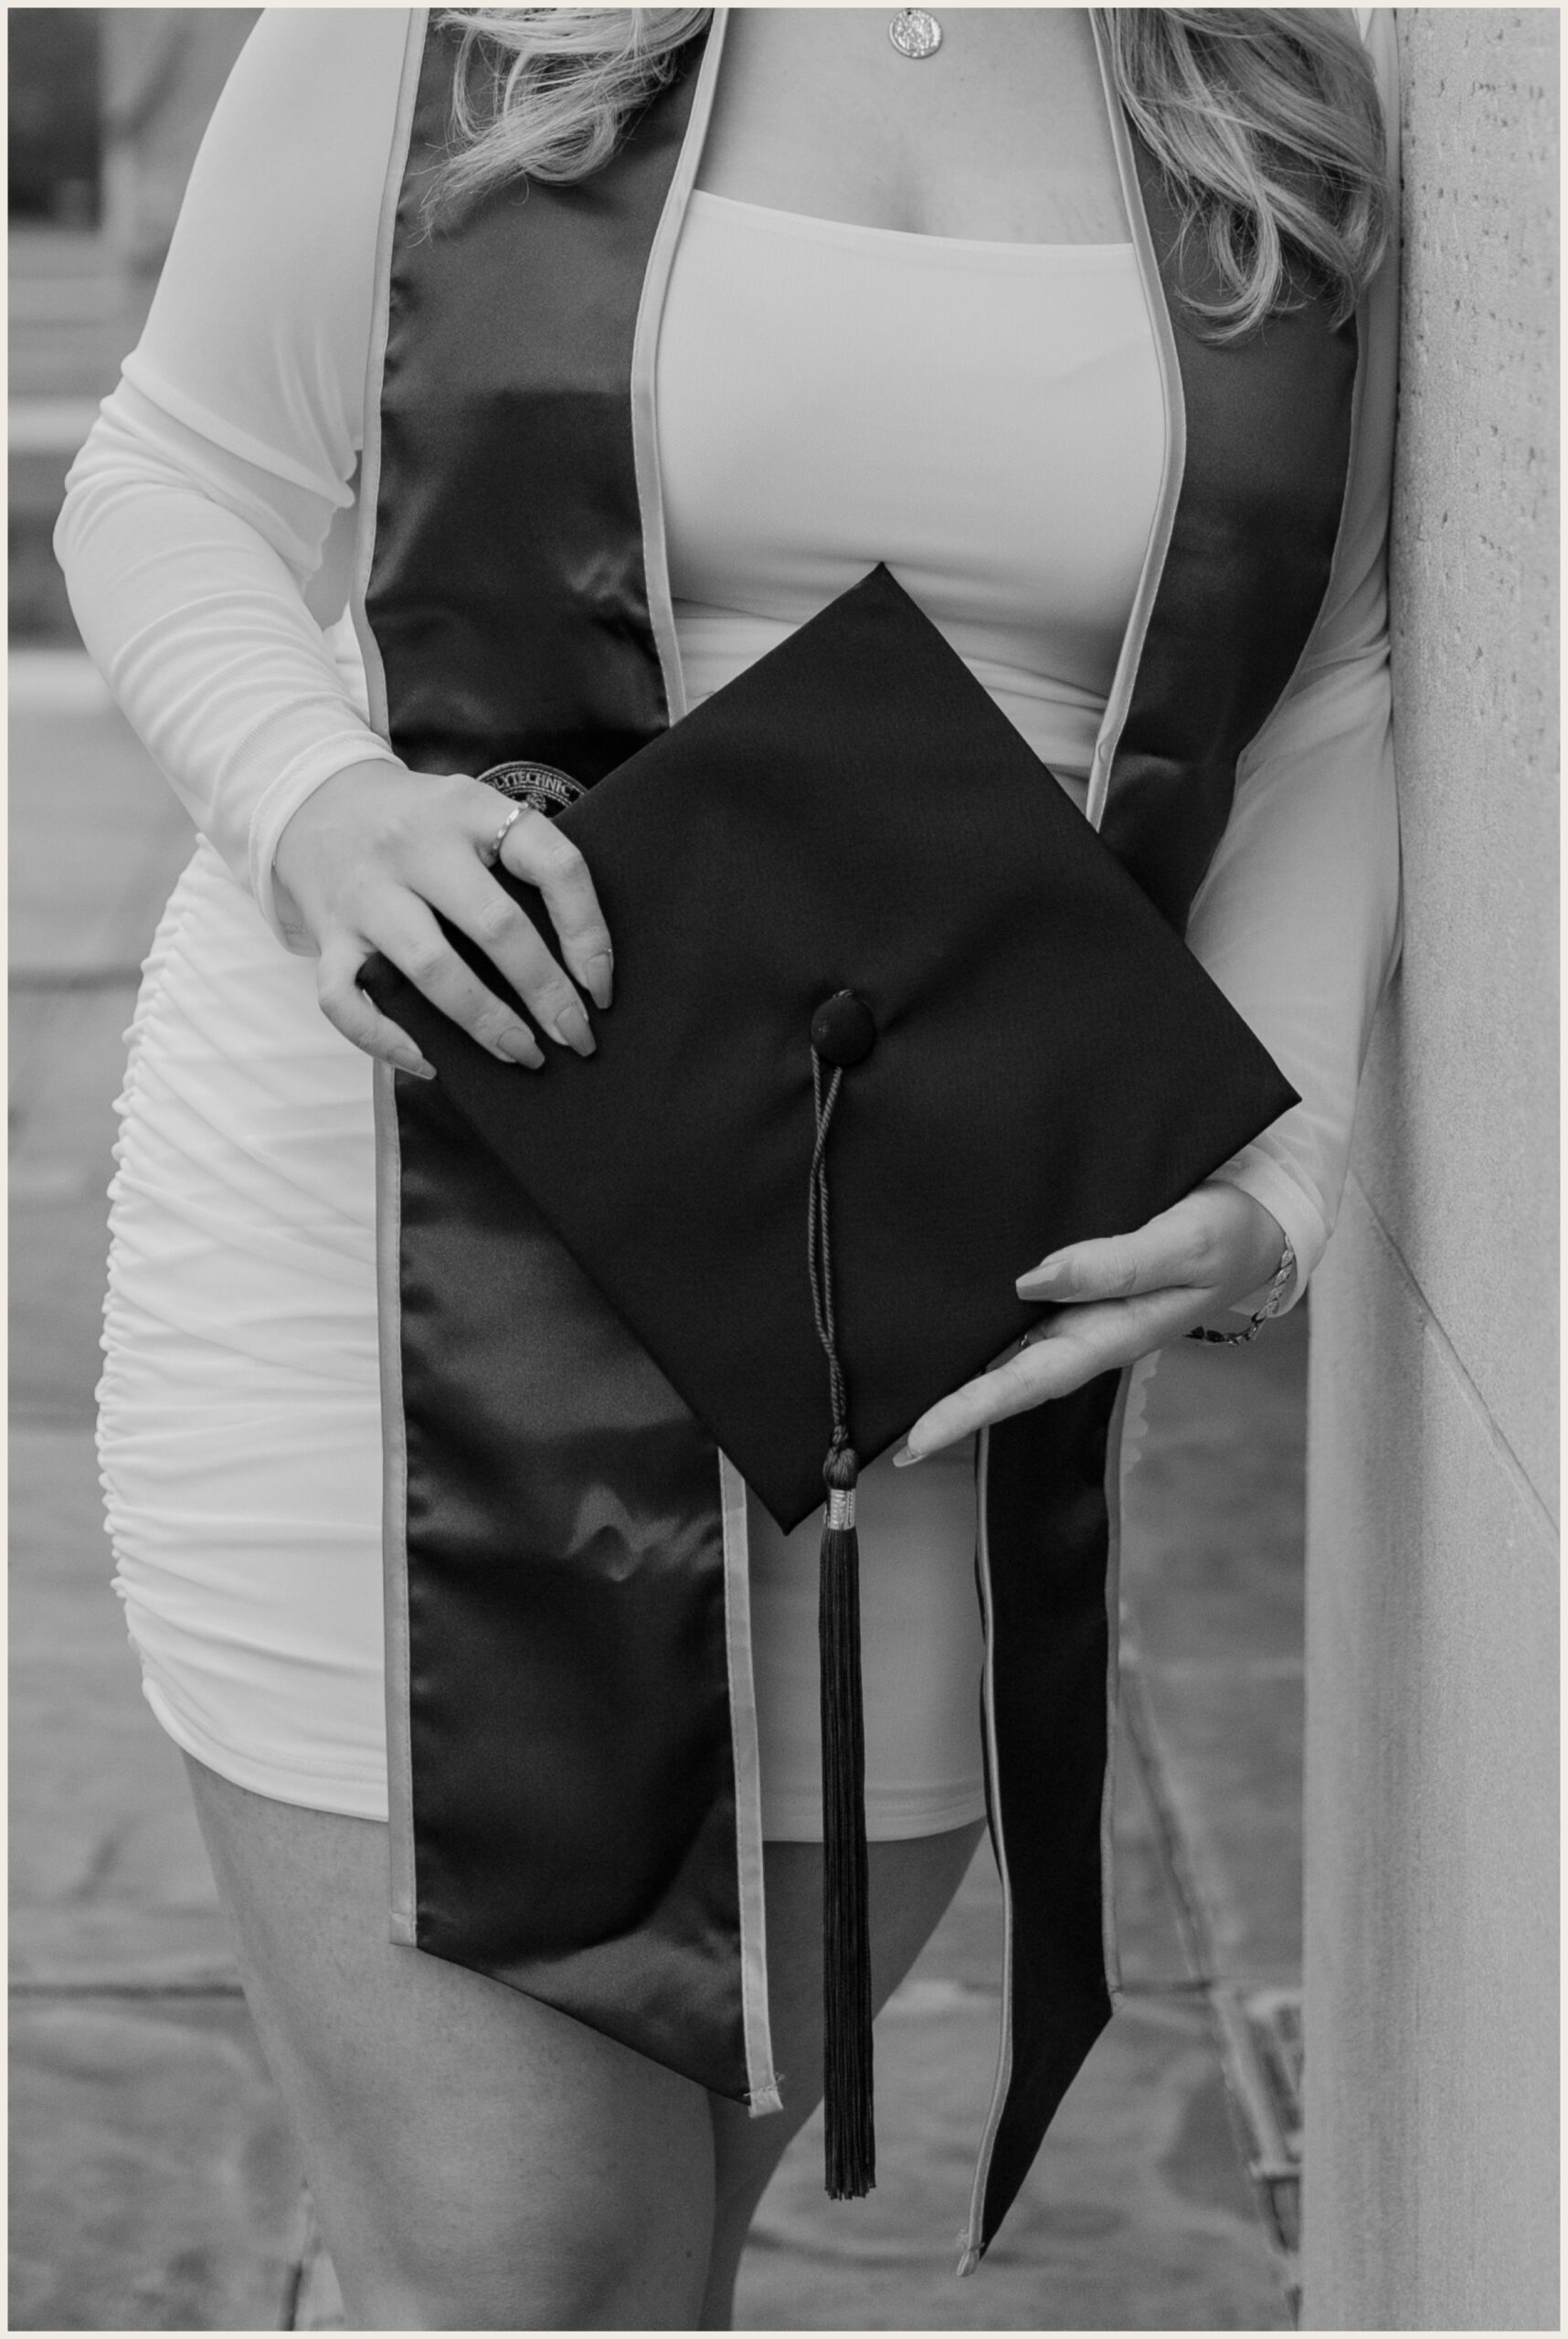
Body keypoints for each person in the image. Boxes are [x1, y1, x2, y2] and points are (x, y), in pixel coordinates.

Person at [57, 7, 1399, 2327]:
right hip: (403, 1229)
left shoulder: (1268, 73)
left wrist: (1265, 1173)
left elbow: (1338, 693)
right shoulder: (444, 26)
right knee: (522, 2271)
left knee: (647, 2265)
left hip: (907, 1318)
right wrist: (316, 798)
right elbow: (171, 476)